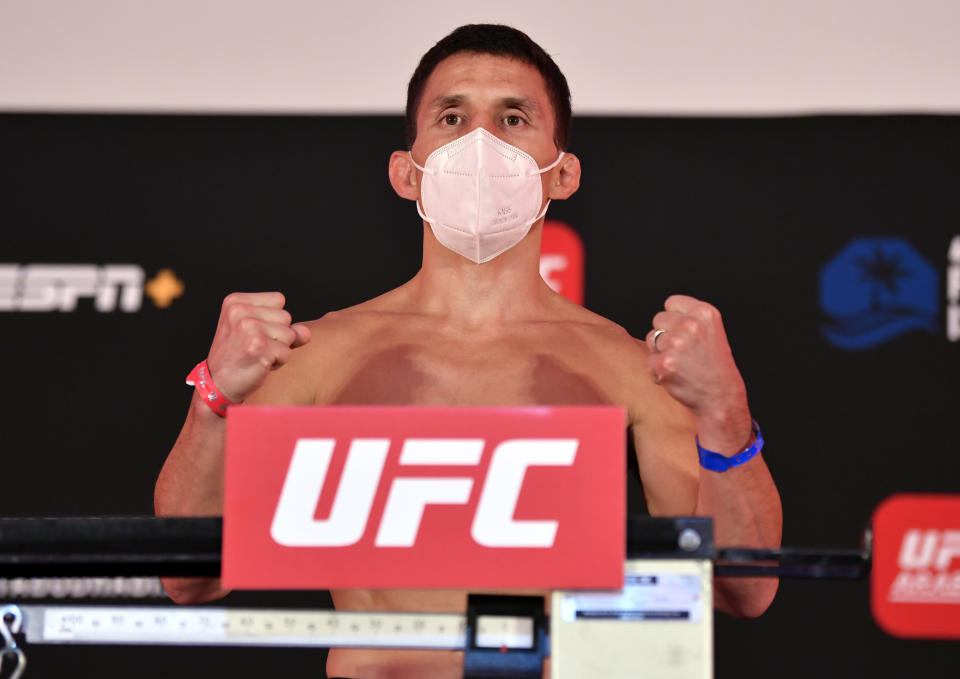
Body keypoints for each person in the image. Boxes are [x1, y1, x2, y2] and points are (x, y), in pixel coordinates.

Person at [154, 23, 782, 679]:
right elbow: (188, 578)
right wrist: (214, 399)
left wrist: (723, 411)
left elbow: (746, 588)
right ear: (406, 171)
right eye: (452, 116)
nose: (480, 141)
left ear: (562, 173)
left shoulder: (631, 370)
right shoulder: (316, 356)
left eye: (513, 118)